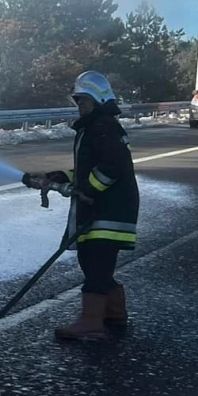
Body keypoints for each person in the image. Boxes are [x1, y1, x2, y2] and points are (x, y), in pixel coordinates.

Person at [23, 71, 140, 341]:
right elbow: (91, 169)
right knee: (91, 261)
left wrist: (87, 189)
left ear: (98, 99)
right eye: (78, 101)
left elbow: (113, 167)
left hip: (109, 210)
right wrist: (63, 177)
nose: (80, 106)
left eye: (84, 100)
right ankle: (114, 313)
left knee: (96, 263)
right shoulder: (96, 125)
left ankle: (91, 322)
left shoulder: (103, 127)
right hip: (104, 208)